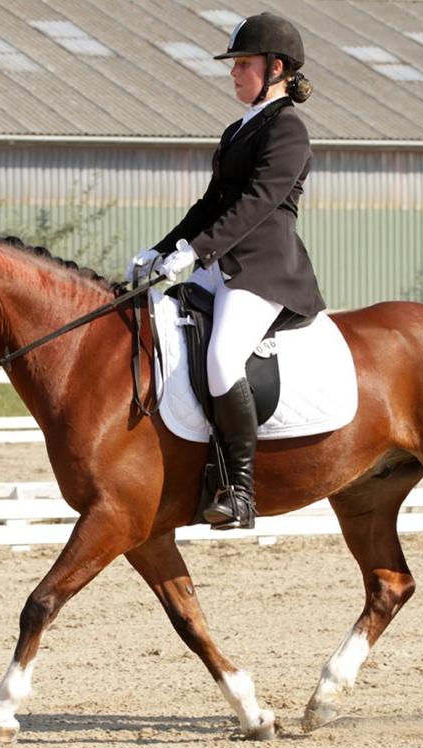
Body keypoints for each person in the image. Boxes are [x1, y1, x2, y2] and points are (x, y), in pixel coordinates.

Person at [130, 13, 326, 530]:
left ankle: (238, 489)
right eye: (235, 64)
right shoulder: (239, 128)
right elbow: (210, 203)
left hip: (263, 269)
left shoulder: (288, 129)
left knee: (221, 358)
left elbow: (258, 203)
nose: (234, 73)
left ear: (276, 68)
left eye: (243, 63)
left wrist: (196, 252)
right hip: (220, 262)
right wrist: (162, 249)